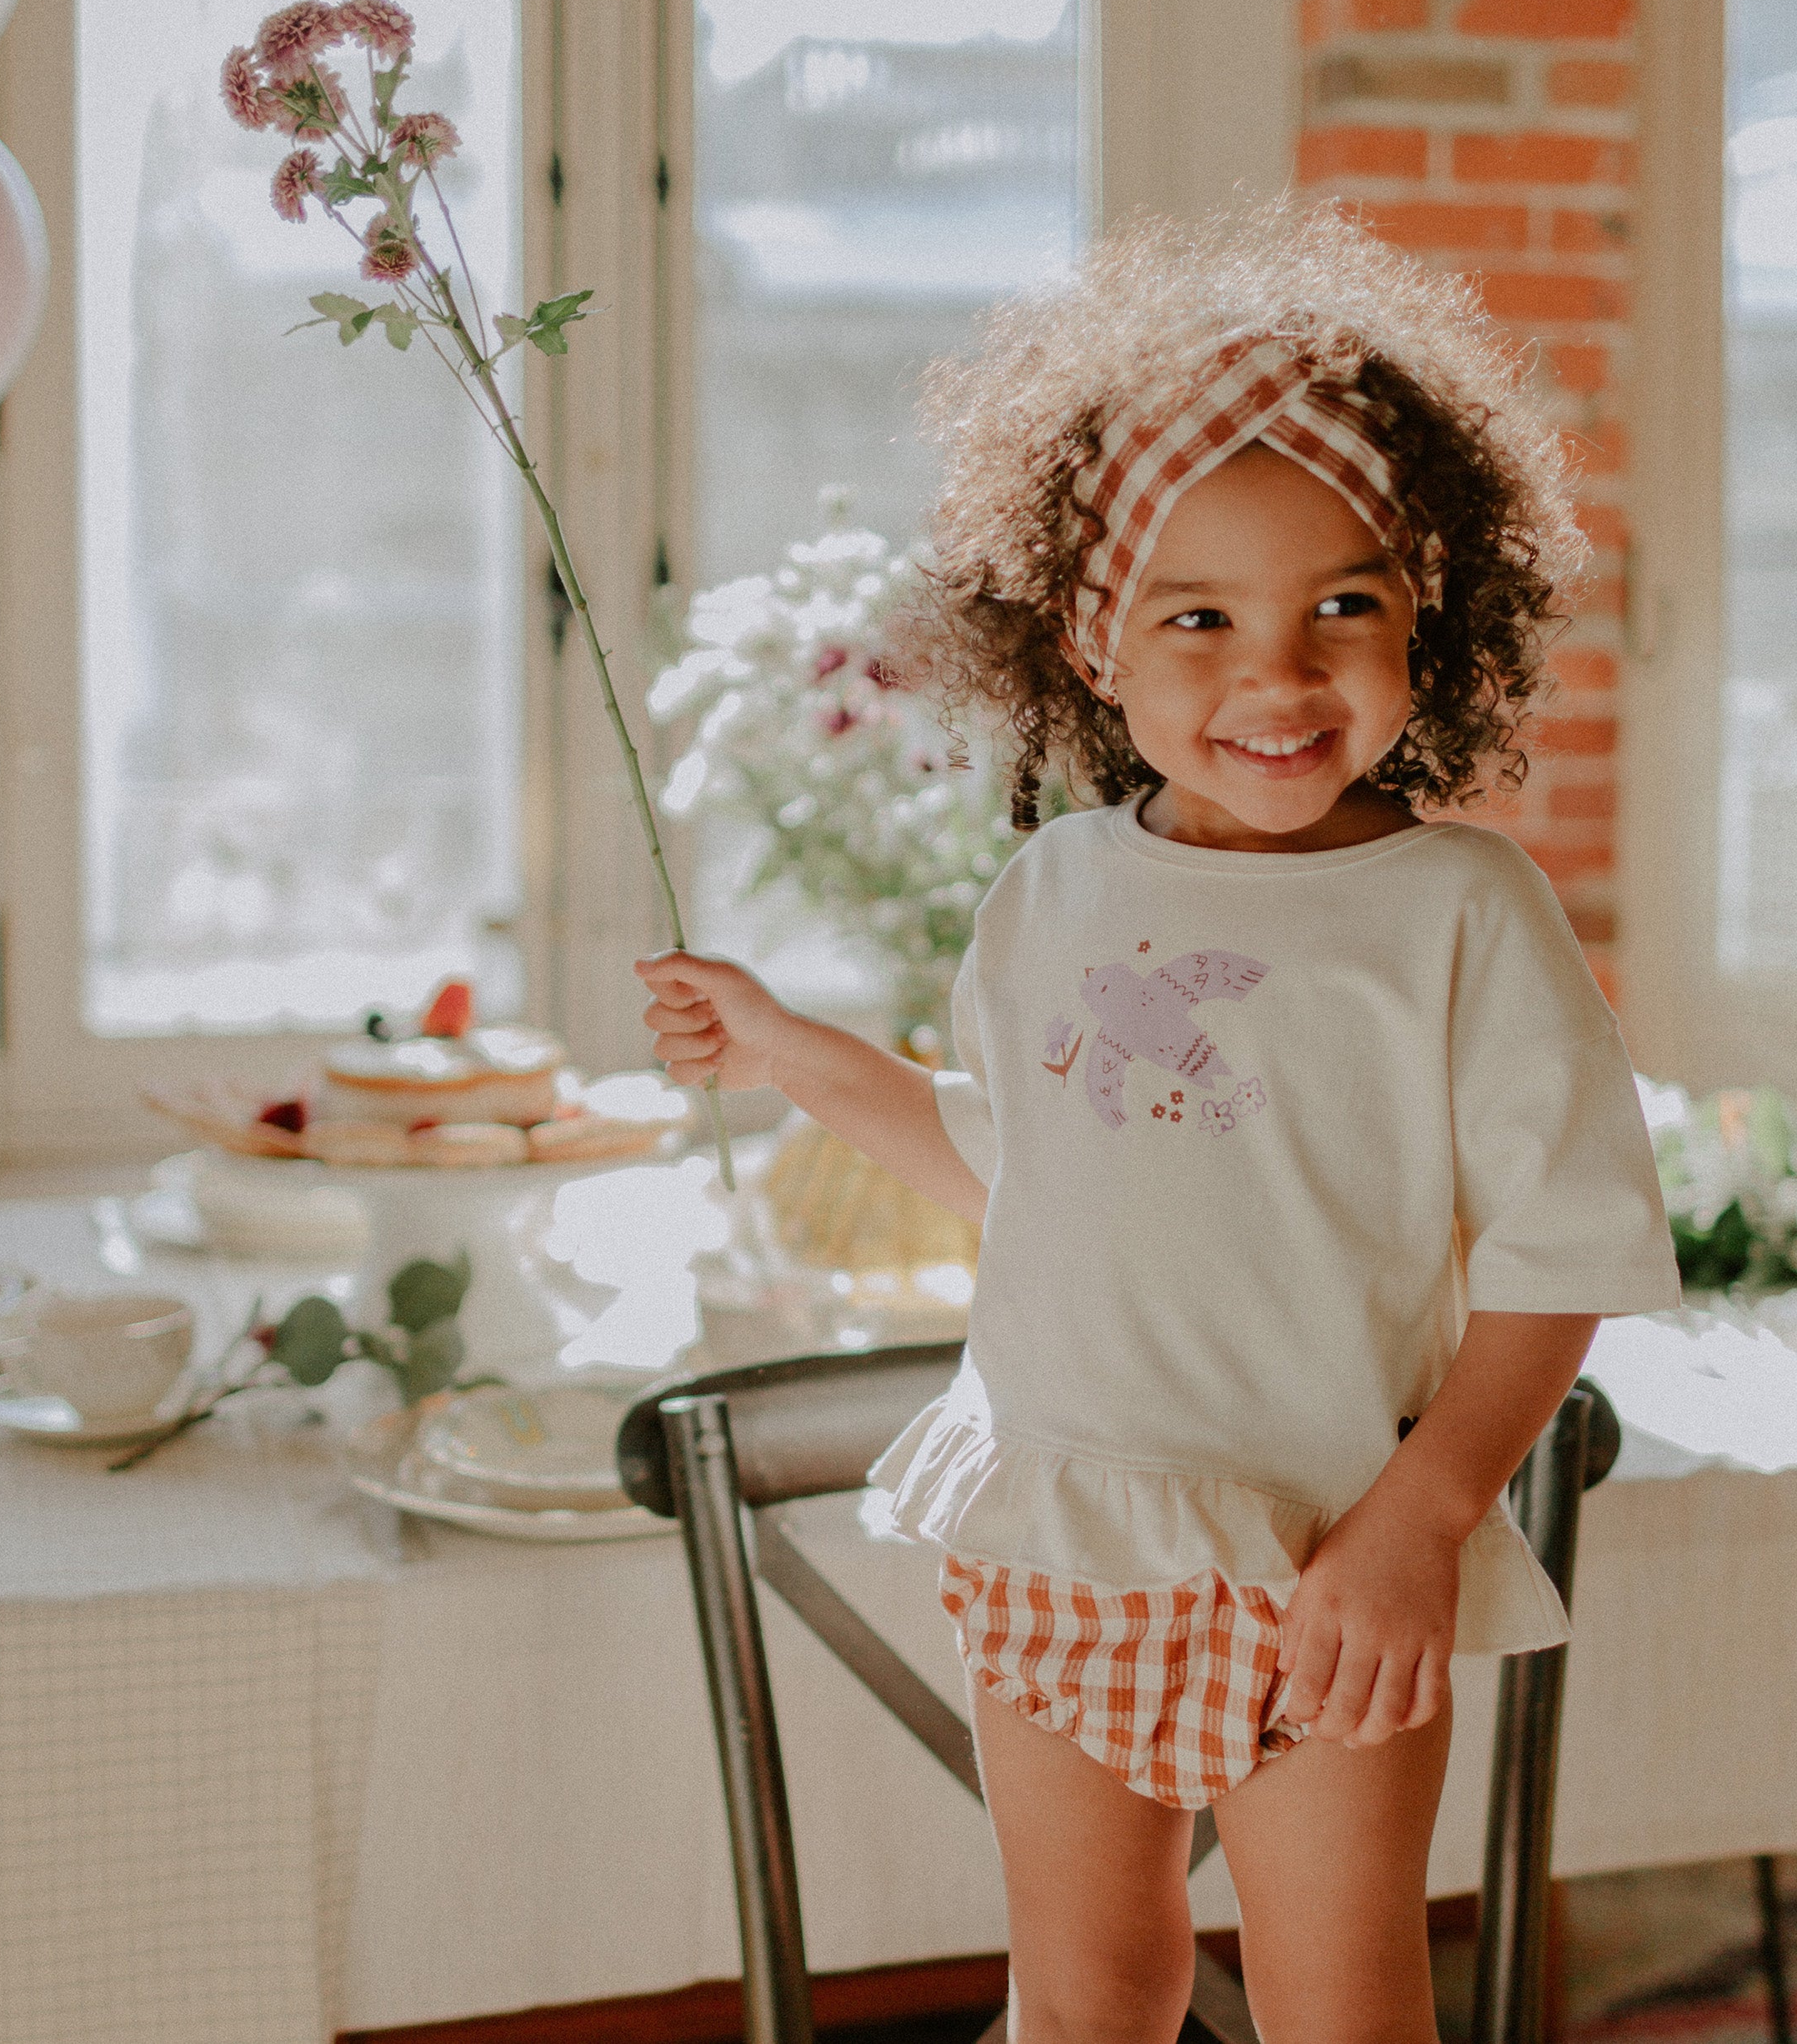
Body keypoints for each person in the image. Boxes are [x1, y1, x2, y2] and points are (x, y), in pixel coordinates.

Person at [636, 204, 1679, 2044]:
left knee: (1340, 2007)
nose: (1275, 679)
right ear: (1086, 640)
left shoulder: (1464, 912)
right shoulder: (1047, 889)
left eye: (1338, 607)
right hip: (1049, 1534)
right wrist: (790, 1049)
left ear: (1427, 612)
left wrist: (1420, 1518)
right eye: (1196, 616)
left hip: (1326, 1564)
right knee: (1084, 1996)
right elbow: (1024, 1177)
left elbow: (1561, 1257)